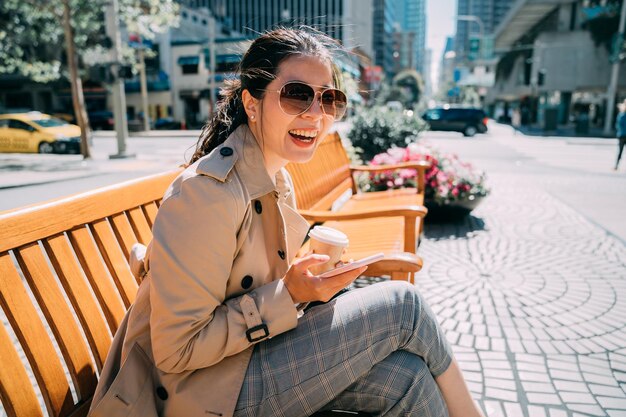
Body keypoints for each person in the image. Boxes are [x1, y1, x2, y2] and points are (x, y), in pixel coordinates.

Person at [88, 27, 485, 417]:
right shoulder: (206, 195)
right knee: (404, 304)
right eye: (297, 95)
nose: (316, 114)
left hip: (243, 362)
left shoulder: (275, 177)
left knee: (406, 377)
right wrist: (289, 294)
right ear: (253, 103)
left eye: (329, 99)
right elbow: (179, 350)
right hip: (197, 393)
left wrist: (305, 288)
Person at [615, 100, 626, 170]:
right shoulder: (622, 115)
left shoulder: (621, 115)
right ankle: (616, 165)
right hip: (622, 135)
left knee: (620, 151)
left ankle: (616, 165)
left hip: (621, 135)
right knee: (620, 151)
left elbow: (617, 125)